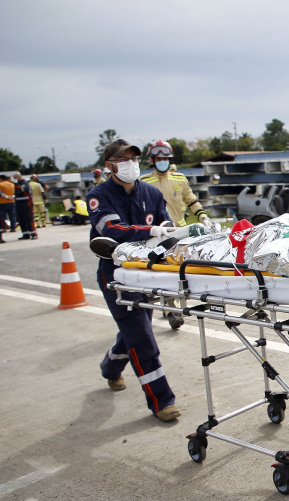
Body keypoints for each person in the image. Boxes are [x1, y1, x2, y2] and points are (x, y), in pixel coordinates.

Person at [86, 138, 181, 422]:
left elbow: (165, 225)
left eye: (133, 159)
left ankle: (111, 367)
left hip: (145, 271)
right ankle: (162, 401)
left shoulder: (151, 193)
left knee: (135, 330)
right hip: (115, 274)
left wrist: (167, 231)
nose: (130, 164)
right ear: (110, 165)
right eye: (123, 159)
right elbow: (111, 229)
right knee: (142, 336)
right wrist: (151, 230)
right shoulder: (99, 195)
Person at [140, 139, 211, 329]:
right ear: (152, 160)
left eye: (165, 158)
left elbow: (191, 201)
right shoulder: (145, 182)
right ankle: (172, 310)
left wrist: (203, 217)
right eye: (158, 158)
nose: (162, 161)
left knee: (182, 271)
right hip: (160, 235)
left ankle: (181, 304)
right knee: (164, 273)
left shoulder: (180, 179)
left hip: (182, 233)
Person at [12, 173, 38, 240]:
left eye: (16, 177)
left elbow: (21, 189)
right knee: (21, 219)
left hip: (26, 203)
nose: (15, 179)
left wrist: (14, 183)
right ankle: (25, 234)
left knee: (28, 219)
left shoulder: (25, 183)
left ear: (19, 176)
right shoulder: (17, 184)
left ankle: (33, 234)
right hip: (18, 203)